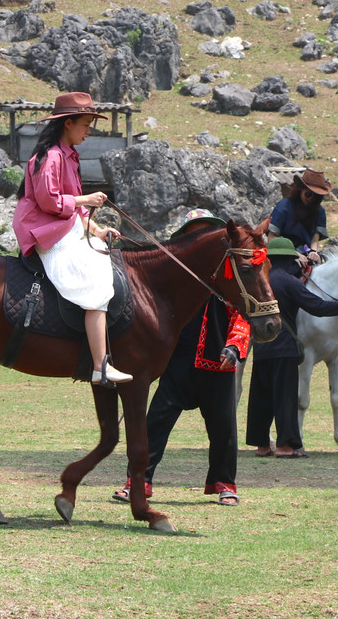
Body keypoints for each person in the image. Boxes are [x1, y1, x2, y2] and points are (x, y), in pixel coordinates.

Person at [114, 209, 249, 506]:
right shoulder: (172, 277)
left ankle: (224, 483)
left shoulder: (228, 277)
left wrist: (235, 347)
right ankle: (138, 481)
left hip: (218, 364)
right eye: (193, 233)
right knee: (155, 423)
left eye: (205, 232)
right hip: (177, 363)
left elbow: (242, 315)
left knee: (224, 428)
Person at [11, 92, 130, 387]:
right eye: (85, 124)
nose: (89, 130)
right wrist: (85, 198)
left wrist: (98, 231)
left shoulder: (69, 156)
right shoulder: (50, 156)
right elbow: (50, 201)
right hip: (45, 230)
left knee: (102, 254)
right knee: (95, 281)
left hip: (64, 227)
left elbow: (75, 210)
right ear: (68, 124)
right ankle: (100, 365)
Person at [246, 236, 338, 457]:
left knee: (261, 397)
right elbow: (317, 307)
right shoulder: (288, 282)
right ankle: (285, 446)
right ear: (290, 259)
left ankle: (262, 445)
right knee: (285, 398)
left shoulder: (260, 281)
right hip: (284, 349)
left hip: (262, 348)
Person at [268, 168, 331, 270]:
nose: (311, 198)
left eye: (316, 197)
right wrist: (292, 253)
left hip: (306, 252)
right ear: (301, 189)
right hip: (282, 253)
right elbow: (272, 237)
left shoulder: (320, 211)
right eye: (308, 194)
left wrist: (313, 251)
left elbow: (315, 237)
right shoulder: (284, 206)